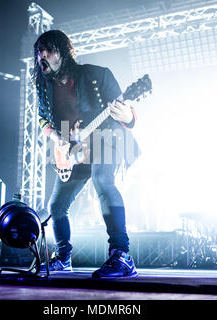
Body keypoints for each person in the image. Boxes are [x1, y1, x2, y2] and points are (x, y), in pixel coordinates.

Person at [32, 30, 139, 278]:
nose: (42, 55)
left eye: (48, 49)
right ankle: (63, 257)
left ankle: (122, 255)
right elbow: (42, 119)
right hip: (73, 147)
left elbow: (127, 114)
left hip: (105, 137)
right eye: (38, 51)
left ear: (63, 52)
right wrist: (59, 140)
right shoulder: (43, 85)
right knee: (56, 206)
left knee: (103, 180)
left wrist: (128, 116)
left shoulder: (96, 74)